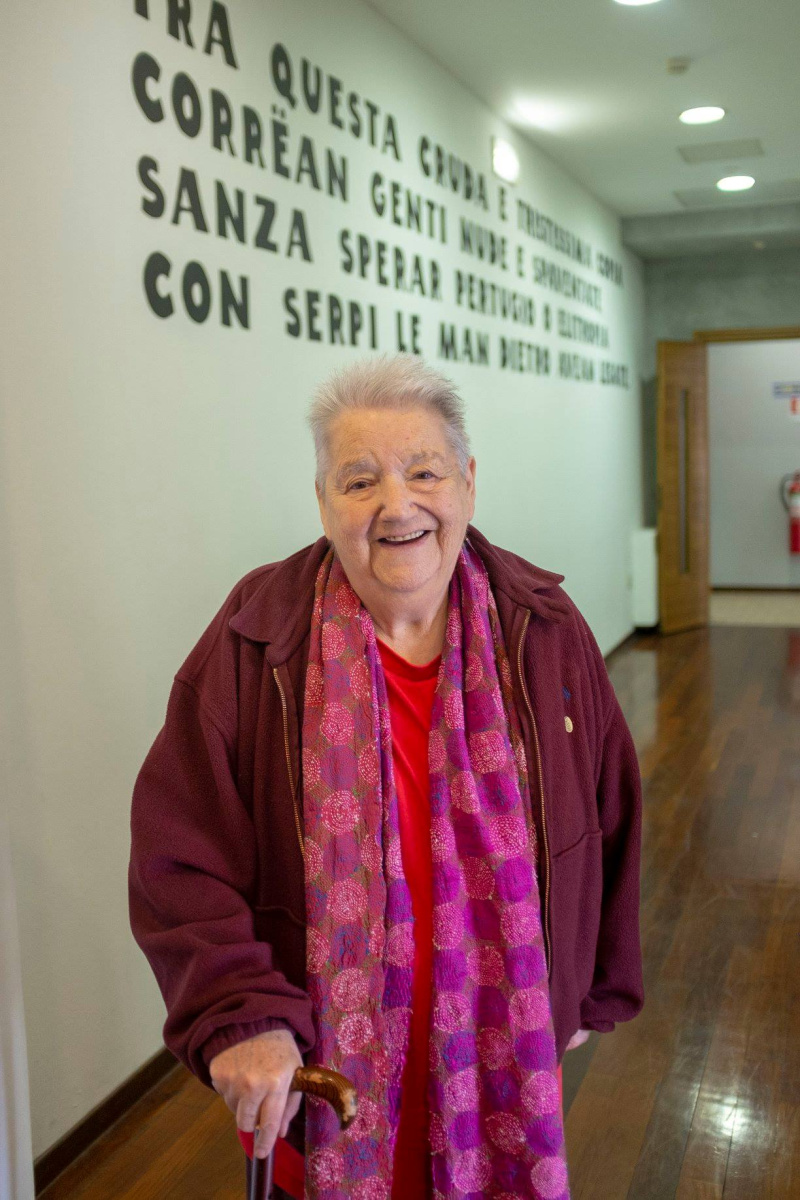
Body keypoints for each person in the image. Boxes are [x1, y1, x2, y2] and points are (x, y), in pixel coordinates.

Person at [129, 355, 644, 1199]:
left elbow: (609, 806)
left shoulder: (543, 628)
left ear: (469, 483)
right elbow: (177, 855)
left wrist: (588, 986)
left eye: (425, 471)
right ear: (324, 501)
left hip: (502, 1054)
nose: (397, 505)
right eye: (359, 480)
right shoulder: (256, 639)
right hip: (326, 1073)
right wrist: (239, 1012)